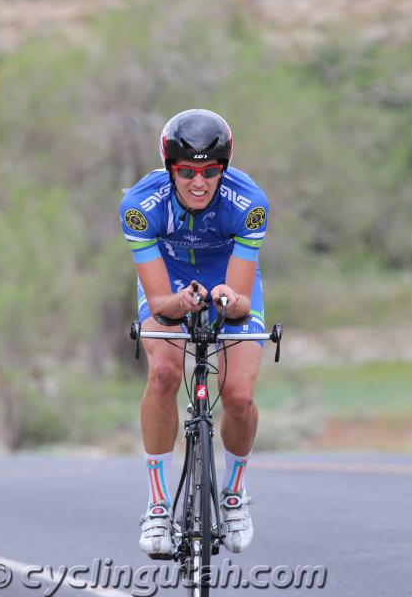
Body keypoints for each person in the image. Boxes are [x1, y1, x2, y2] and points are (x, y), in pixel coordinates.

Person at [119, 109, 269, 558]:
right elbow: (160, 303)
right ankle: (159, 505)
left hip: (230, 280)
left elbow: (240, 303)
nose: (199, 183)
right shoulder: (141, 208)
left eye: (210, 172)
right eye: (187, 172)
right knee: (164, 374)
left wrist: (226, 298)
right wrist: (179, 303)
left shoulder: (249, 203)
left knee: (238, 395)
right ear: (171, 169)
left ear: (223, 169)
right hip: (169, 280)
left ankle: (235, 494)